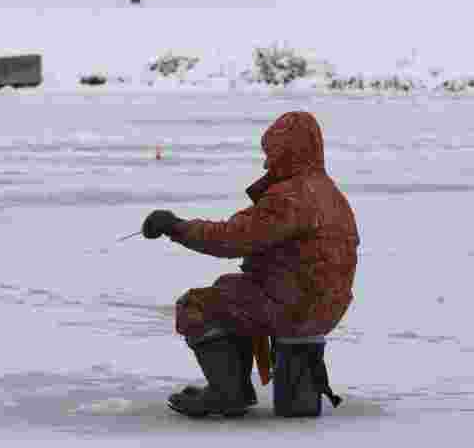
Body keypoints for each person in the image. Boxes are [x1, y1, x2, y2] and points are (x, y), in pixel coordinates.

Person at [141, 111, 359, 418]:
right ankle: (299, 396)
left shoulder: (290, 197)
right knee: (231, 289)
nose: (266, 163)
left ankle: (228, 393)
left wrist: (175, 226)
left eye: (271, 153)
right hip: (328, 306)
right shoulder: (331, 194)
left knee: (197, 306)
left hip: (292, 304)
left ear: (288, 151)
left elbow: (231, 239)